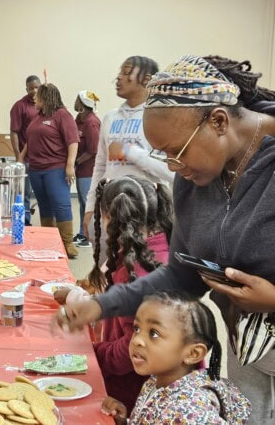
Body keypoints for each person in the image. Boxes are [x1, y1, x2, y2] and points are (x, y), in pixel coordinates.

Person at [54, 55, 275, 424]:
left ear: (219, 121)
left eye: (178, 151)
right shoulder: (196, 180)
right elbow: (181, 276)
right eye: (164, 155)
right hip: (247, 343)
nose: (173, 167)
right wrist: (104, 305)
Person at [86, 176, 172, 413]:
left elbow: (132, 347)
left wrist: (94, 356)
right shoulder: (163, 247)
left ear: (109, 218)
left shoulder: (134, 270)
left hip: (136, 391)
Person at [101, 291, 251, 424]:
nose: (136, 340)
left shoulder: (190, 413)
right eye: (137, 329)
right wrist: (125, 421)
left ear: (193, 354)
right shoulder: (156, 381)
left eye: (154, 333)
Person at [82, 56, 173, 240]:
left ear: (146, 79)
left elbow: (171, 171)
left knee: (142, 267)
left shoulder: (160, 118)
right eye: (119, 72)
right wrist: (90, 207)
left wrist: (129, 152)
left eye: (126, 72)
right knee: (108, 266)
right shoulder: (110, 118)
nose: (119, 78)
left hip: (147, 216)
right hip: (111, 213)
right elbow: (100, 167)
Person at [20, 83, 79, 258]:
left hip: (55, 168)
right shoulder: (37, 117)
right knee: (44, 206)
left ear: (46, 97)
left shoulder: (62, 115)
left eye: (37, 96)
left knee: (61, 205)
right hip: (36, 169)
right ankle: (49, 241)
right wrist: (21, 158)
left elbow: (73, 141)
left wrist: (70, 166)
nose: (34, 98)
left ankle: (67, 243)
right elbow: (30, 140)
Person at [10, 75, 41, 225]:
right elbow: (14, 132)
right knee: (25, 193)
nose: (34, 91)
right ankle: (25, 223)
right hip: (26, 159)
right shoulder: (19, 106)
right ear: (26, 89)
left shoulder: (46, 105)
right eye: (31, 88)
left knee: (44, 193)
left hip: (44, 159)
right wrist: (18, 157)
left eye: (37, 87)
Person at [72, 90, 101, 248]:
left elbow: (94, 149)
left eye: (77, 99)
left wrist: (76, 161)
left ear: (83, 104)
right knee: (83, 203)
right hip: (81, 170)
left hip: (89, 171)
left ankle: (90, 235)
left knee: (88, 203)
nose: (74, 102)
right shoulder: (80, 119)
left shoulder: (91, 122)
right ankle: (82, 233)